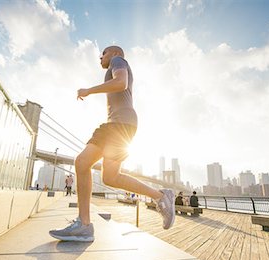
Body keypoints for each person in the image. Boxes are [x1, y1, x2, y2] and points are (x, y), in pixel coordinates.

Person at [49, 45, 175, 242]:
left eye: (104, 52)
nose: (100, 56)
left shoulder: (118, 61)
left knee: (82, 162)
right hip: (123, 125)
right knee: (110, 177)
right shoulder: (114, 64)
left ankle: (84, 225)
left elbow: (121, 82)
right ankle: (160, 196)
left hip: (118, 124)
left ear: (115, 53)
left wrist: (89, 90)